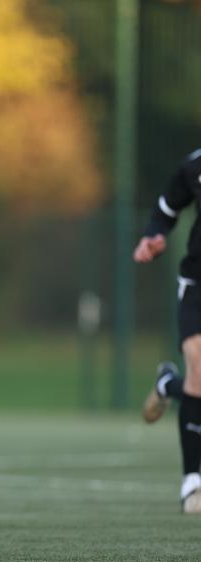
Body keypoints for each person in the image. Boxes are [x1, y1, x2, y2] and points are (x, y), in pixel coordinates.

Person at [134, 148, 201, 514]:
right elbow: (166, 209)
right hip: (197, 284)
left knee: (195, 386)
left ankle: (167, 386)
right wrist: (154, 236)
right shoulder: (194, 166)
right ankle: (192, 483)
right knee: (200, 370)